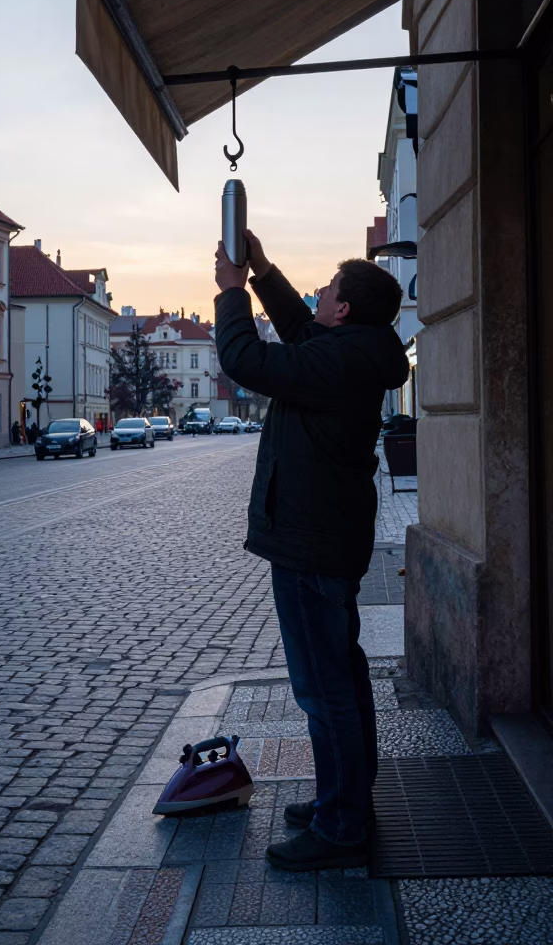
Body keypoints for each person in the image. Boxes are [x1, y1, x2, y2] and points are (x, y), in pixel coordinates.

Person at [214, 230, 409, 872]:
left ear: (344, 309)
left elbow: (248, 360)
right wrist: (265, 272)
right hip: (325, 537)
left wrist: (231, 293)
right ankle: (346, 799)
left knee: (325, 691)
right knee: (342, 681)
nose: (318, 293)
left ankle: (342, 826)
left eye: (327, 289)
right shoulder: (354, 349)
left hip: (311, 543)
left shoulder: (341, 361)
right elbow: (300, 331)